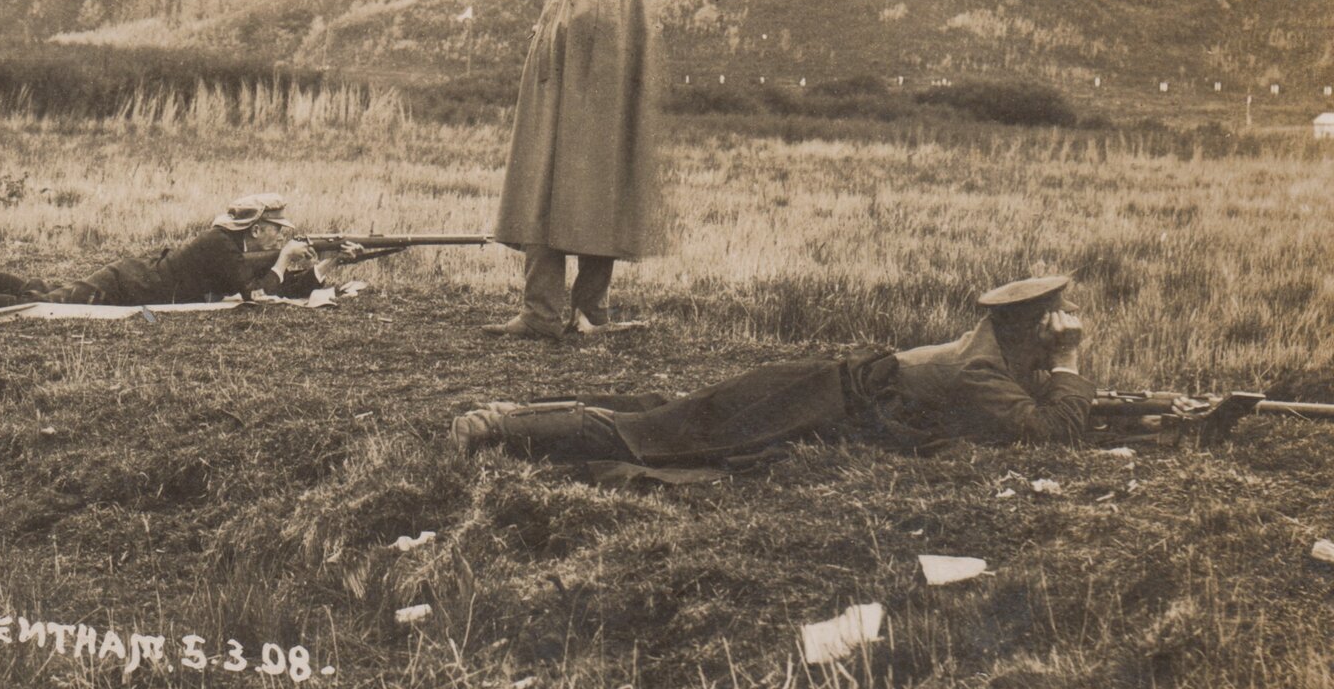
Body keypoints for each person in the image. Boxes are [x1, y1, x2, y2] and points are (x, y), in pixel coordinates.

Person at [452, 276, 1094, 475]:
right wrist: (1066, 364)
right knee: (659, 435)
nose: (1063, 324)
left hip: (814, 394)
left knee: (672, 412)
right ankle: (498, 423)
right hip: (809, 399)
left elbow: (1030, 410)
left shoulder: (993, 355)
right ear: (1030, 325)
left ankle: (518, 409)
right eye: (1052, 320)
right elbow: (1050, 432)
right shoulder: (980, 365)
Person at [487, 0, 662, 341]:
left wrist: (557, 72)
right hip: (591, 105)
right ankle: (590, 314)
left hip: (575, 104)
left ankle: (542, 314)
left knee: (548, 195)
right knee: (593, 204)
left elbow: (590, 28)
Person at [0, 193, 338, 313]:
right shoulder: (221, 246)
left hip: (130, 280)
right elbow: (258, 295)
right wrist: (284, 259)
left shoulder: (227, 245)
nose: (276, 240)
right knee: (40, 302)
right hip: (127, 285)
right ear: (257, 228)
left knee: (40, 287)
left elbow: (265, 284)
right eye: (274, 233)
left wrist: (326, 263)